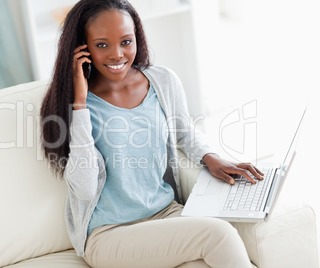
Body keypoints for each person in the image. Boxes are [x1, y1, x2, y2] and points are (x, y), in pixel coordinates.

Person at [41, 0, 264, 267]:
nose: (117, 54)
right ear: (82, 48)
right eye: (102, 45)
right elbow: (86, 188)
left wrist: (211, 157)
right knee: (218, 235)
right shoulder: (76, 105)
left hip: (165, 213)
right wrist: (79, 104)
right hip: (109, 234)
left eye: (126, 41)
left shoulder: (163, 81)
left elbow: (184, 132)